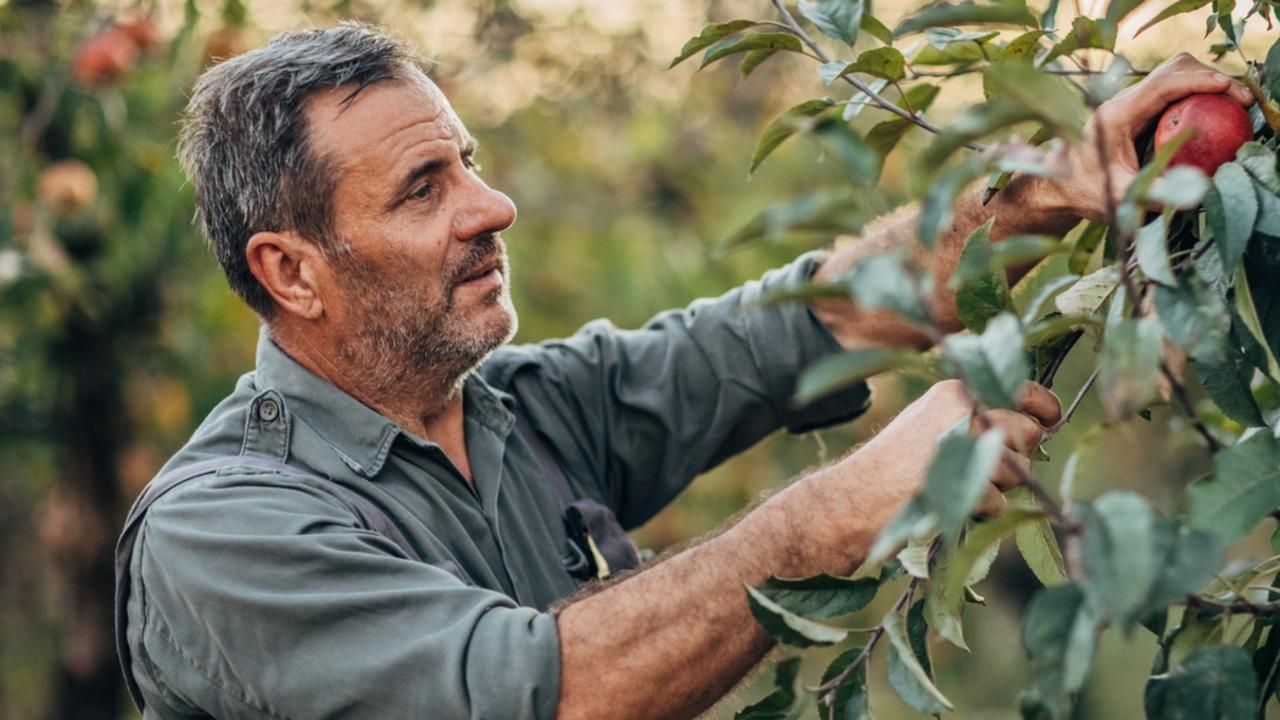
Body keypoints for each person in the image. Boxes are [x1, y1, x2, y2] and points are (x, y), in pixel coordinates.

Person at [115, 22, 1253, 720]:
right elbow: (545, 697)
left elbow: (814, 317)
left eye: (468, 161)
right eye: (423, 190)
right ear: (291, 271)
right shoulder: (222, 534)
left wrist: (1039, 192)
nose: (491, 206)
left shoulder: (519, 411)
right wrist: (838, 509)